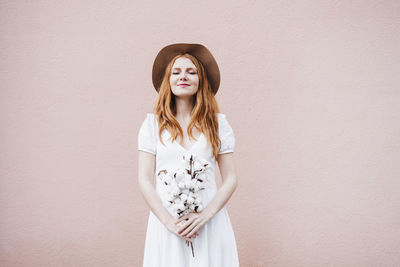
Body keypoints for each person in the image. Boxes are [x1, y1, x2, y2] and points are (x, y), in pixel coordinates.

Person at [138, 43, 240, 267]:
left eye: (191, 72)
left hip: (209, 224)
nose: (183, 76)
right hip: (166, 226)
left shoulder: (218, 124)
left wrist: (204, 217)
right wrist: (170, 224)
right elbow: (144, 180)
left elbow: (231, 178)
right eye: (176, 72)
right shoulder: (151, 126)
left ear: (201, 80)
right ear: (168, 80)